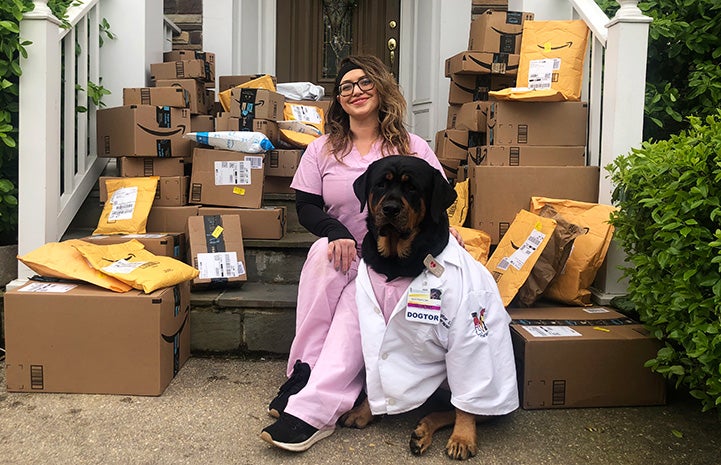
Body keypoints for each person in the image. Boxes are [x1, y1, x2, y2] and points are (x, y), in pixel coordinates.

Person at [259, 55, 450, 452]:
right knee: (322, 256)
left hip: (396, 257)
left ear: (381, 89)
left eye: (364, 83)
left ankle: (322, 397)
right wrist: (335, 232)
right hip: (345, 248)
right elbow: (307, 205)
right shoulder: (323, 148)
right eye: (345, 86)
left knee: (355, 306)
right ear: (338, 99)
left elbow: (436, 201)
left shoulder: (411, 147)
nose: (355, 91)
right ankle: (304, 373)